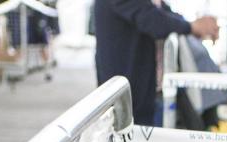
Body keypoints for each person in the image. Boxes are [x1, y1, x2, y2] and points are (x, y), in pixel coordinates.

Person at [93, 0, 218, 129]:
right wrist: (192, 27)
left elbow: (162, 11)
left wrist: (196, 25)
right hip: (127, 92)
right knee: (128, 134)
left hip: (148, 88)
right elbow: (152, 20)